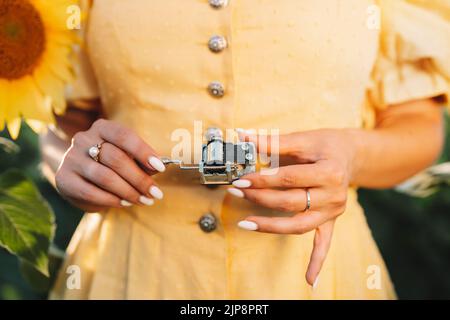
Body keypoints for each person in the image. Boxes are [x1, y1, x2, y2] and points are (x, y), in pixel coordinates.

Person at [41, 0, 449, 299]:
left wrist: (353, 155)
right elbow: (64, 128)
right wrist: (73, 163)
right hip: (129, 274)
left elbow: (417, 124)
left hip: (314, 276)